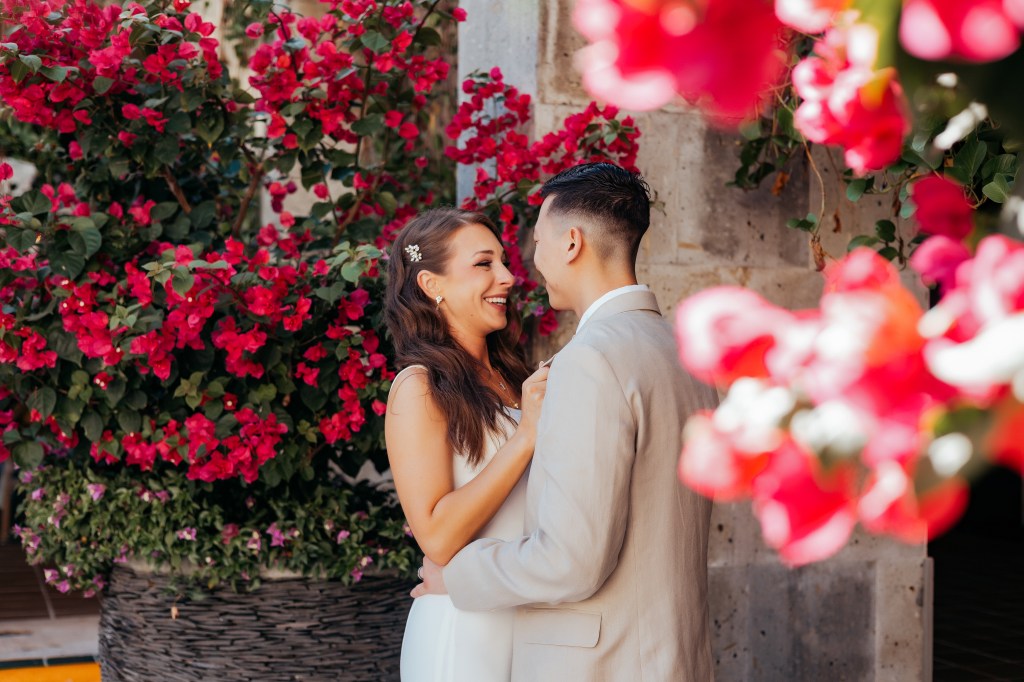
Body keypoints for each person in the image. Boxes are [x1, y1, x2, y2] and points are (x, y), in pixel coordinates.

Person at [413, 163, 720, 681]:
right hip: (677, 656)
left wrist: (457, 576)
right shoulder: (687, 355)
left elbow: (571, 561)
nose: (531, 266)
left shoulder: (589, 361)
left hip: (601, 665)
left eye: (538, 243)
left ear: (572, 243)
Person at [384, 207, 549, 681]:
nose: (507, 277)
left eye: (503, 262)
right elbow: (435, 536)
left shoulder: (516, 379)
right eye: (483, 264)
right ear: (432, 286)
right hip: (463, 633)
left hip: (526, 619)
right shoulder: (419, 387)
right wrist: (525, 439)